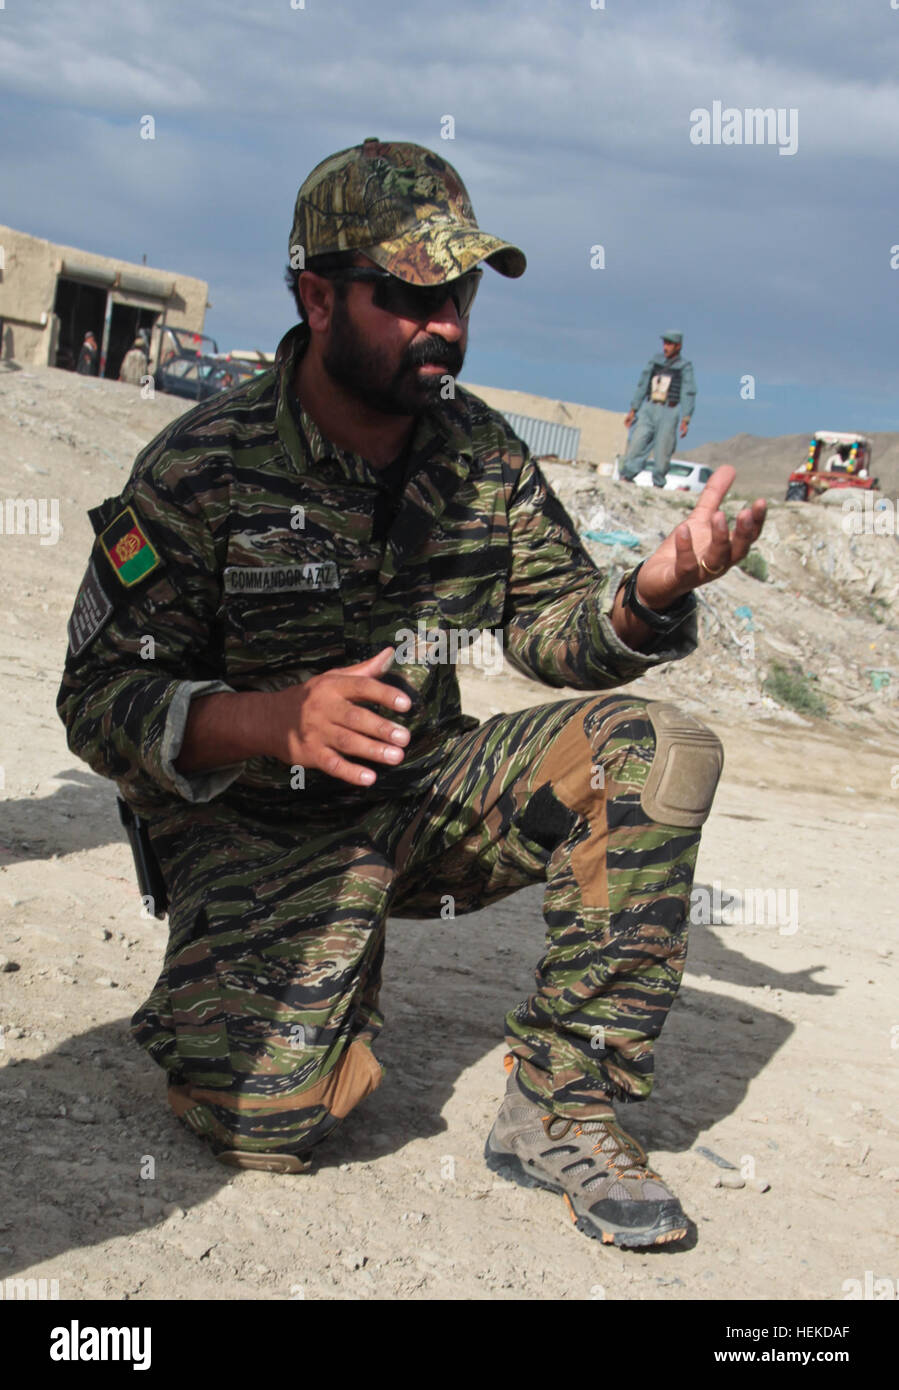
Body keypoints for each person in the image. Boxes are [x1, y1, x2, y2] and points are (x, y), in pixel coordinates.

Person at [57, 138, 766, 1249]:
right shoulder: (201, 468)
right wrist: (263, 719)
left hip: (424, 790)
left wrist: (645, 597)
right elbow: (96, 697)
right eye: (406, 296)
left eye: (460, 293)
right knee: (274, 1124)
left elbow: (549, 633)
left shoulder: (478, 454)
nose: (444, 323)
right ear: (316, 296)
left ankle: (562, 1102)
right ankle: (265, 981)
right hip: (256, 815)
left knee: (658, 747)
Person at [619, 333, 696, 487]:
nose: (665, 347)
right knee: (638, 442)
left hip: (669, 410)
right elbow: (642, 384)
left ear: (678, 346)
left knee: (663, 450)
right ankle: (626, 476)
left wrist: (686, 418)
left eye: (669, 344)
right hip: (649, 407)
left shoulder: (684, 367)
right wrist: (634, 409)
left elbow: (688, 391)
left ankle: (658, 483)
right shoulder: (655, 362)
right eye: (665, 343)